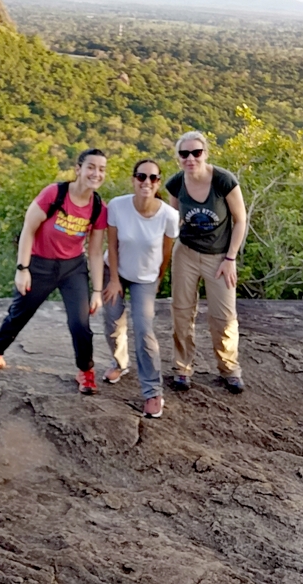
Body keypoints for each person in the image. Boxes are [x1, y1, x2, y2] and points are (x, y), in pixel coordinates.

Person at [0, 149, 108, 395]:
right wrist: (22, 269)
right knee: (18, 315)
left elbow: (96, 252)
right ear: (78, 169)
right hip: (39, 264)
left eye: (101, 169)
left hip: (72, 268)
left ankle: (85, 371)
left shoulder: (98, 207)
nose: (96, 173)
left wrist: (97, 290)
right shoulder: (54, 194)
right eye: (91, 167)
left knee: (80, 323)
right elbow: (28, 230)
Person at [165, 131, 247, 394]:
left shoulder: (223, 181)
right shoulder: (176, 183)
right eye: (184, 154)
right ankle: (182, 367)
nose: (190, 158)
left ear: (205, 154)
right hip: (186, 253)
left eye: (196, 153)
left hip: (219, 256)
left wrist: (230, 258)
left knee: (223, 317)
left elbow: (240, 220)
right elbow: (174, 219)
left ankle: (229, 369)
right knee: (181, 311)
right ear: (178, 157)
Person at [102, 159, 180, 418]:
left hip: (145, 277)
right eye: (141, 176)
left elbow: (166, 252)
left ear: (158, 181)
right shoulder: (117, 206)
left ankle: (152, 391)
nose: (146, 182)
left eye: (153, 178)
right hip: (115, 271)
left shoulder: (168, 215)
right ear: (133, 179)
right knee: (113, 321)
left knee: (144, 330)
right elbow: (111, 245)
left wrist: (158, 279)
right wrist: (113, 279)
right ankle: (120, 363)